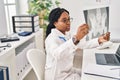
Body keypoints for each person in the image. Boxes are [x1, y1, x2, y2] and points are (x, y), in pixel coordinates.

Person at [45, 7, 110, 80]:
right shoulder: (51, 38)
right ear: (55, 23)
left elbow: (83, 44)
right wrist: (76, 38)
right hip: (57, 76)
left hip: (67, 71)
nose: (68, 22)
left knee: (90, 74)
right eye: (64, 20)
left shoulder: (66, 35)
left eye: (69, 19)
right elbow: (57, 54)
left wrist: (99, 40)